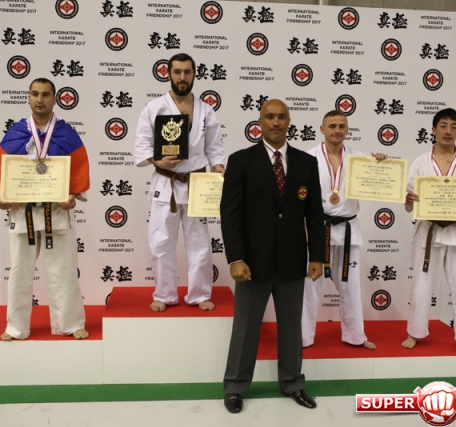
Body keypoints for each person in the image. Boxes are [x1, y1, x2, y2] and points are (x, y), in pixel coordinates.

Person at [220, 99, 324, 414]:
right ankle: (235, 386)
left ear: (289, 121)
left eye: (281, 117)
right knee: (245, 328)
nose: (276, 122)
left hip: (293, 261)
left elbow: (314, 214)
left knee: (291, 328)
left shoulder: (306, 163)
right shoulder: (241, 161)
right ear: (260, 122)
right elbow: (230, 214)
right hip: (252, 263)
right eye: (270, 117)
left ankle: (293, 382)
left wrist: (317, 256)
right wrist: (235, 258)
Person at [0, 77, 90, 341]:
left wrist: (72, 196)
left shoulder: (67, 134)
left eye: (46, 94)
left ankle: (70, 323)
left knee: (63, 270)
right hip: (22, 211)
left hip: (56, 211)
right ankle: (15, 327)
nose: (40, 99)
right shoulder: (15, 133)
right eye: (35, 93)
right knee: (19, 272)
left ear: (54, 99)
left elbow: (79, 170)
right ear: (28, 97)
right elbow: (2, 171)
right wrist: (1, 196)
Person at [134, 53, 225, 312]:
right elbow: (142, 144)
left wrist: (219, 170)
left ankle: (199, 294)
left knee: (200, 243)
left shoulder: (206, 110)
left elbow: (214, 148)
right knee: (161, 242)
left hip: (197, 183)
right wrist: (158, 161)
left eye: (187, 72)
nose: (182, 77)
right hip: (167, 184)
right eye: (177, 72)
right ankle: (164, 294)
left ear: (194, 74)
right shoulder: (155, 108)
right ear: (168, 74)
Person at [401, 108, 456, 355]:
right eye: (443, 125)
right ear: (433, 129)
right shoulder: (420, 161)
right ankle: (414, 332)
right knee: (421, 286)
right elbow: (408, 195)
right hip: (429, 233)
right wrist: (408, 199)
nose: (448, 131)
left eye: (453, 126)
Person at [302, 110, 384, 349]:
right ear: (322, 129)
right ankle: (303, 336)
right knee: (310, 285)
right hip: (318, 228)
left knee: (351, 286)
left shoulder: (360, 159)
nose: (337, 130)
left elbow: (380, 182)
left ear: (347, 130)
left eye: (341, 126)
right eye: (332, 126)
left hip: (348, 229)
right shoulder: (308, 158)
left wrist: (380, 165)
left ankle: (355, 335)